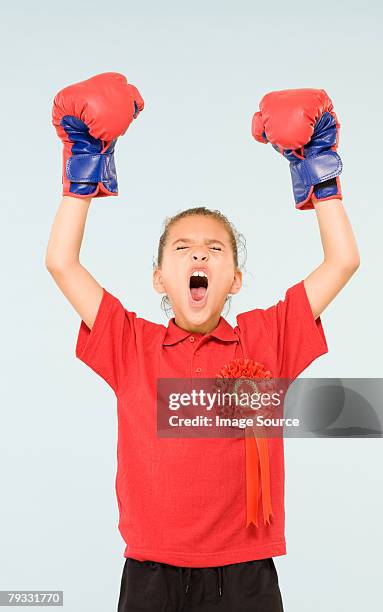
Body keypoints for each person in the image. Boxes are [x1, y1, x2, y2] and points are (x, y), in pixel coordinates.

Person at [45, 73, 360, 611]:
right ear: (159, 277)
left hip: (244, 577)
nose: (198, 257)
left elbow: (343, 262)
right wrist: (83, 169)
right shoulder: (130, 344)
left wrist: (320, 175)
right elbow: (62, 264)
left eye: (215, 249)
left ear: (234, 279)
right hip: (150, 574)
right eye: (183, 249)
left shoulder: (267, 337)